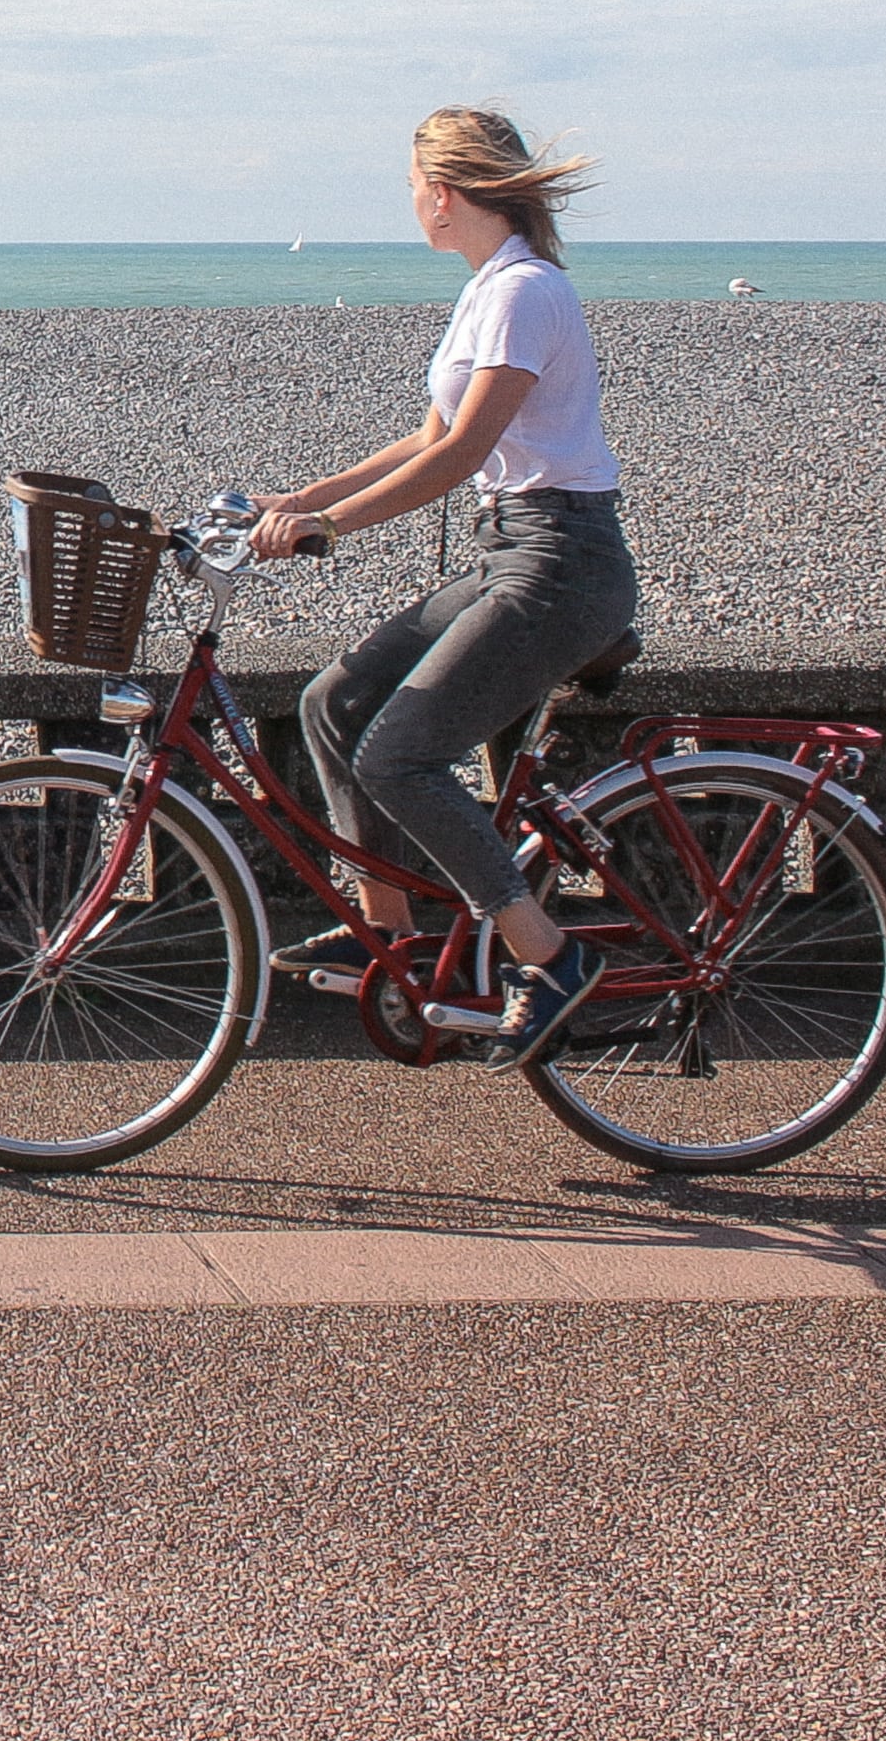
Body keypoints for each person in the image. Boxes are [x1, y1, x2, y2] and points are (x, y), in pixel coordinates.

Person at [245, 107, 642, 1067]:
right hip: (514, 551)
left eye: (413, 184)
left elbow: (465, 451)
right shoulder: (487, 289)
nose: (411, 202)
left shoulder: (524, 294)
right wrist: (300, 496)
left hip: (561, 563)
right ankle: (391, 936)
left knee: (399, 756)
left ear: (442, 192)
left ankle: (548, 959)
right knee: (332, 703)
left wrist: (331, 527)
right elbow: (428, 438)